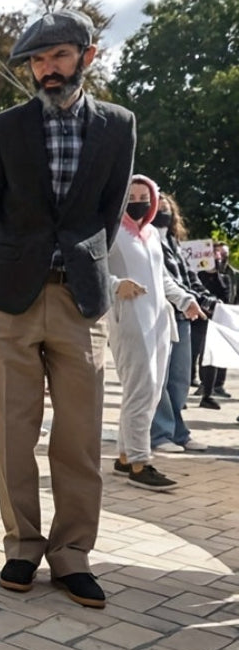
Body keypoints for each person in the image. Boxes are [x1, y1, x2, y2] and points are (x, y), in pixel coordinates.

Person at [0, 10, 135, 610]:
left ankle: (72, 554)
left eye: (59, 56)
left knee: (80, 436)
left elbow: (109, 211)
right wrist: (16, 264)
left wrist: (79, 264)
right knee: (11, 433)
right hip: (10, 300)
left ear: (87, 56)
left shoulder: (119, 125)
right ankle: (22, 544)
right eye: (38, 60)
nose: (47, 69)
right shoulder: (2, 128)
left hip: (79, 300)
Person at [108, 176, 203, 491]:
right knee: (142, 390)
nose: (138, 202)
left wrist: (186, 300)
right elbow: (92, 270)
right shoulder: (109, 231)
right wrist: (116, 285)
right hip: (129, 320)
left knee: (149, 391)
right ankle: (140, 463)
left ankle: (125, 457)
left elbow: (162, 277)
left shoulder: (150, 235)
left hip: (159, 322)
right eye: (131, 197)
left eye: (143, 197)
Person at [149, 192, 213, 455]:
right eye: (158, 207)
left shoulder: (174, 243)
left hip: (183, 317)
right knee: (160, 380)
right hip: (161, 315)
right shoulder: (147, 239)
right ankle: (161, 433)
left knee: (180, 380)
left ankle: (176, 431)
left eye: (167, 208)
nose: (163, 212)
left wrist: (205, 298)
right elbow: (165, 280)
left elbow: (189, 277)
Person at [196, 242, 238, 409]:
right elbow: (197, 290)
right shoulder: (199, 275)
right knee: (197, 355)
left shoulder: (225, 278)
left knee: (213, 357)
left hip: (217, 322)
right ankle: (202, 386)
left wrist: (217, 273)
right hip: (198, 320)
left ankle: (209, 392)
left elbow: (226, 297)